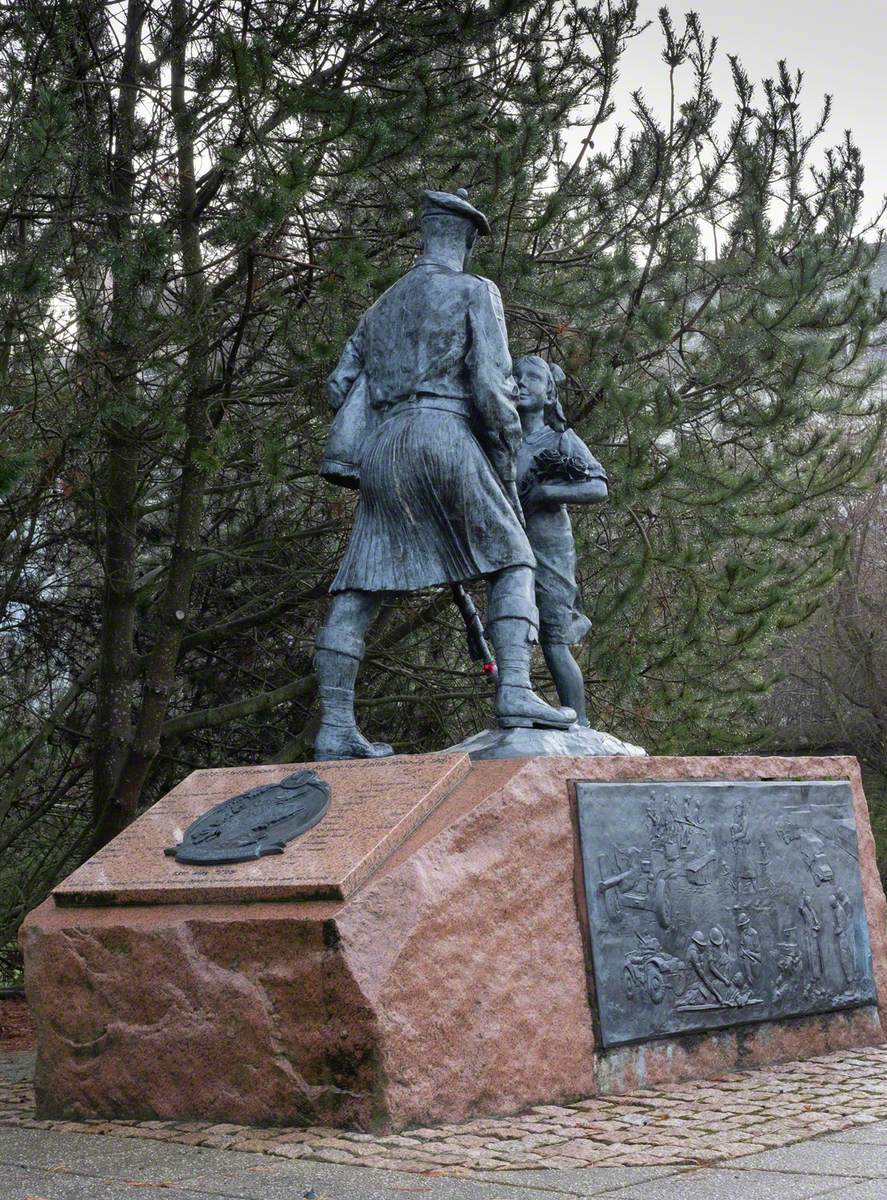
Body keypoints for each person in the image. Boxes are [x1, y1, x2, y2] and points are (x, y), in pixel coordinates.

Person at [313, 190, 575, 760]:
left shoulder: (379, 307)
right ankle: (516, 691)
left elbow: (338, 387)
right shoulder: (475, 291)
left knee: (358, 587)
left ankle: (334, 725)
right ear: (466, 239)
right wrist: (505, 449)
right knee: (514, 559)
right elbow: (489, 384)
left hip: (383, 450)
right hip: (443, 434)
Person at [512, 355, 608, 725]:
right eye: (515, 376)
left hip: (550, 547)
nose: (520, 383)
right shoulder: (500, 438)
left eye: (531, 378)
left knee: (554, 639)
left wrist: (547, 492)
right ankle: (517, 709)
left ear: (549, 392)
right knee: (513, 630)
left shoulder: (561, 439)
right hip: (509, 547)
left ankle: (580, 724)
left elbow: (598, 486)